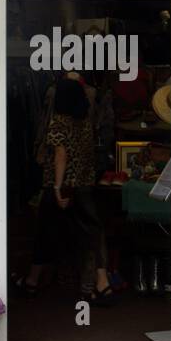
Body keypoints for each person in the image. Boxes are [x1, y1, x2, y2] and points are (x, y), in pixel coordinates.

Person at [17, 75, 115, 305]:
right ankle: (102, 282)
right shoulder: (85, 122)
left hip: (62, 185)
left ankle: (32, 280)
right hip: (83, 183)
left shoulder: (59, 122)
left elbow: (60, 155)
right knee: (92, 231)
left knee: (45, 230)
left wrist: (58, 187)